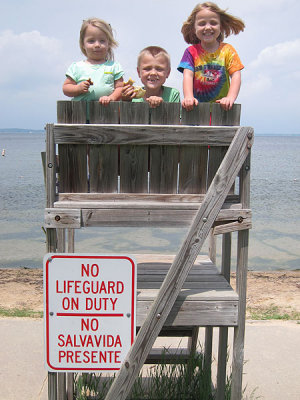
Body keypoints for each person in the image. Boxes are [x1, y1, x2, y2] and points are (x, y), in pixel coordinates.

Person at [178, 2, 245, 111]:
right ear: (194, 28)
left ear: (220, 26)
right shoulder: (191, 52)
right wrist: (189, 97)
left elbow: (236, 75)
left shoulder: (227, 50)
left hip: (222, 109)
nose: (208, 27)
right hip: (196, 110)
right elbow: (188, 76)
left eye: (213, 23)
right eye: (202, 23)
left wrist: (230, 98)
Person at [63, 18, 124, 105]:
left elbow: (120, 88)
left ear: (109, 43)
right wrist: (78, 88)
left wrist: (111, 98)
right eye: (91, 41)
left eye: (102, 41)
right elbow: (66, 88)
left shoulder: (114, 66)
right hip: (80, 114)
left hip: (107, 114)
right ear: (83, 44)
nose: (97, 45)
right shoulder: (76, 67)